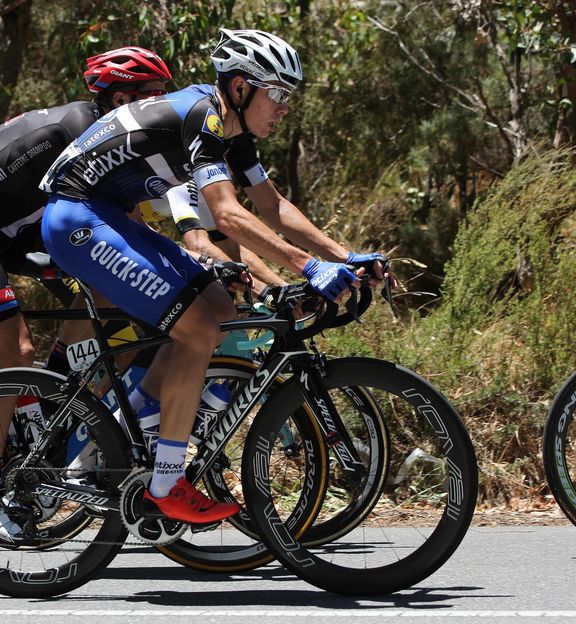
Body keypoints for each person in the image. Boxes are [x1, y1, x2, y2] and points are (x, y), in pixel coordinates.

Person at [40, 29, 392, 525]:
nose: (285, 107)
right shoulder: (202, 115)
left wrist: (344, 255)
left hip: (110, 214)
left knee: (221, 310)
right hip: (76, 220)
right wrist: (309, 268)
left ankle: (134, 425)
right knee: (200, 326)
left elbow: (272, 206)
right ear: (243, 87)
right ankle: (164, 479)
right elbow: (226, 215)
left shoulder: (234, 132)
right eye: (280, 95)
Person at [0, 46, 174, 541]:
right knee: (14, 351)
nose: (159, 105)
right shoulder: (79, 130)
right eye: (153, 96)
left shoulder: (112, 133)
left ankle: (55, 393)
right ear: (121, 97)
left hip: (19, 230)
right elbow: (122, 222)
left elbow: (130, 224)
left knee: (112, 291)